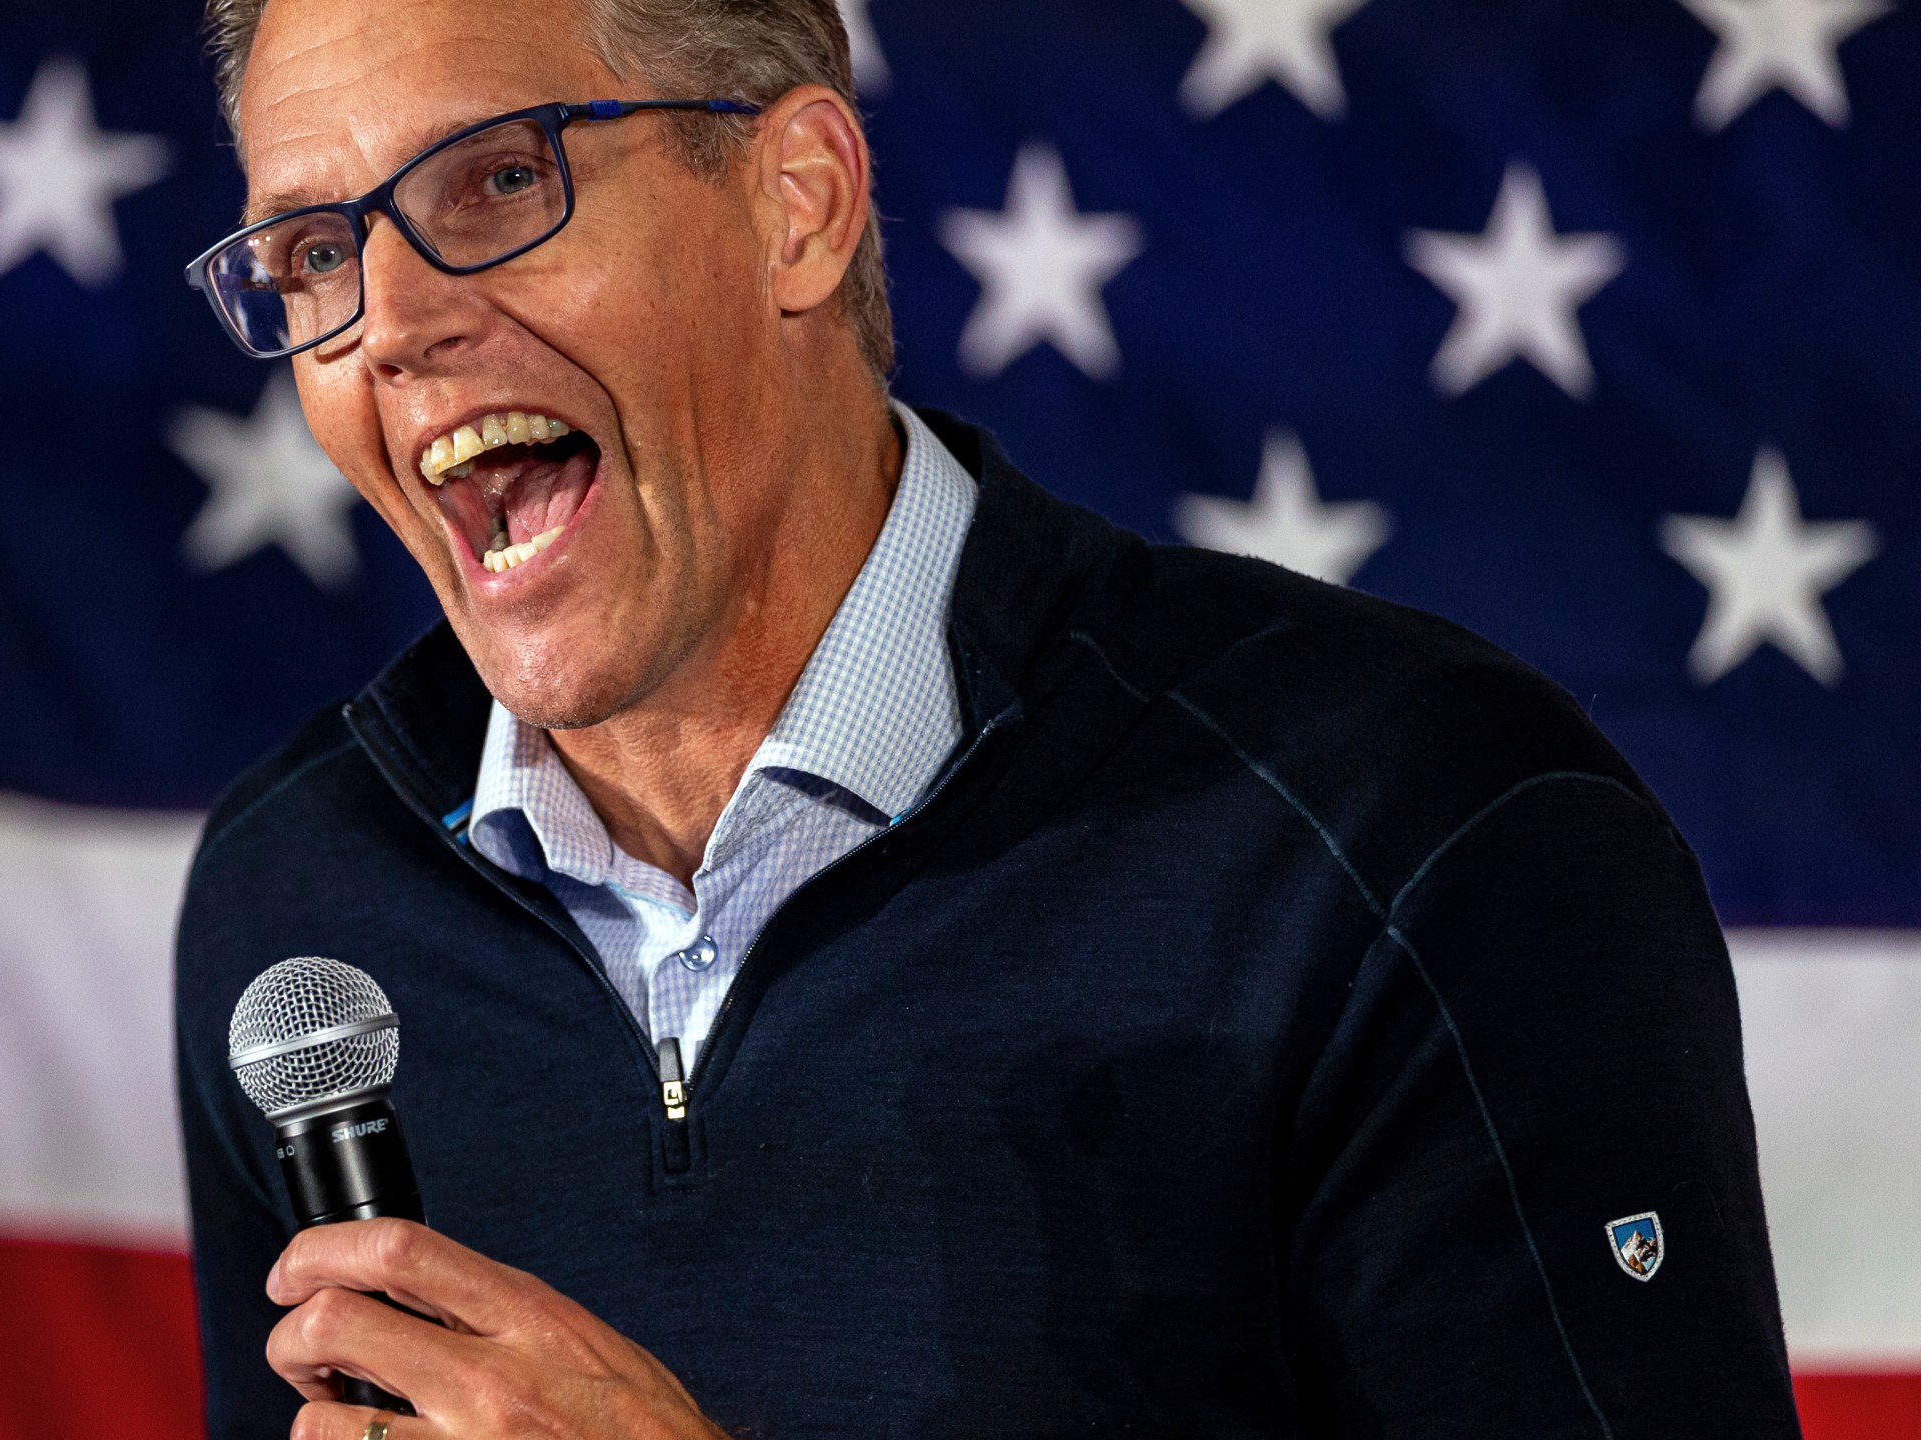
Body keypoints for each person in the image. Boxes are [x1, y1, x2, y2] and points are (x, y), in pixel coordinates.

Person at [171, 0, 1801, 1435]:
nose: (386, 324)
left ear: (795, 203)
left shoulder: (1419, 836)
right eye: (316, 251)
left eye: (503, 181)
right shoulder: (302, 902)